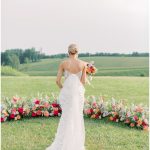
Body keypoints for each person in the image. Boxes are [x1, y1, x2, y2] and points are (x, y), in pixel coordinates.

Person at [45, 43, 87, 150]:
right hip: (77, 93)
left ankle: (63, 142)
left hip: (67, 93)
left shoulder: (63, 63)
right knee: (76, 115)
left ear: (68, 52)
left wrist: (64, 88)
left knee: (66, 115)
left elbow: (57, 81)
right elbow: (83, 82)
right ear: (77, 52)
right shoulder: (83, 64)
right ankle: (75, 143)